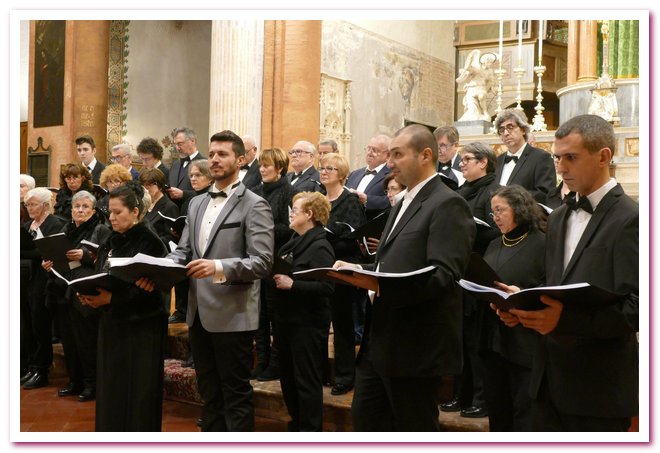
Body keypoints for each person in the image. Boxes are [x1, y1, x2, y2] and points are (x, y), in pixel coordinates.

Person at [496, 114, 638, 431]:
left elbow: (639, 309)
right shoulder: (558, 217)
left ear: (603, 157)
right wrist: (524, 306)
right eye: (557, 158)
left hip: (597, 387)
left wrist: (564, 320)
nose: (560, 168)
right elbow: (556, 287)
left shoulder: (632, 219)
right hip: (548, 381)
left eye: (571, 158)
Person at [334, 124, 476, 431]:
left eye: (397, 154)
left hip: (416, 344)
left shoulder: (448, 203)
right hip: (381, 338)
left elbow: (444, 275)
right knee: (366, 422)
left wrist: (378, 283)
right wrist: (364, 272)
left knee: (414, 429)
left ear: (426, 155)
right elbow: (392, 262)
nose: (390, 163)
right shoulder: (403, 201)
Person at [164, 129, 274, 432]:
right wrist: (161, 267)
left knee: (235, 394)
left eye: (222, 154)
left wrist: (217, 267)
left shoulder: (254, 204)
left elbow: (262, 262)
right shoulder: (196, 203)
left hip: (233, 313)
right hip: (198, 313)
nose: (214, 159)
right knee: (209, 394)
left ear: (240, 159)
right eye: (211, 153)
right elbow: (184, 252)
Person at [77, 182, 169, 431]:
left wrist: (112, 299)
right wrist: (89, 293)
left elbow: (151, 291)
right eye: (110, 212)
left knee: (138, 393)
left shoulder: (151, 243)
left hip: (141, 328)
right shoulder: (110, 238)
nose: (112, 218)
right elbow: (101, 273)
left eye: (118, 212)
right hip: (112, 324)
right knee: (112, 389)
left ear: (136, 211)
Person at [442, 141, 499, 419]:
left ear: (483, 162)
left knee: (476, 342)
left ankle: (479, 398)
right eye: (461, 159)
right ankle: (459, 394)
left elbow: (496, 232)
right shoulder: (462, 190)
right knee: (459, 338)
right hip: (459, 269)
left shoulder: (492, 191)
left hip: (479, 270)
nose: (461, 163)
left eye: (467, 159)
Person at [481, 185, 545, 431]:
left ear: (519, 209)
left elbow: (548, 285)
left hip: (524, 337)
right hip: (492, 337)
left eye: (500, 210)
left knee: (524, 411)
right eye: (492, 212)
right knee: (498, 409)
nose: (495, 217)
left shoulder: (542, 243)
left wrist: (520, 301)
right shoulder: (494, 244)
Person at [272, 191, 335, 431]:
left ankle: (310, 433)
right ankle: (296, 425)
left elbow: (327, 287)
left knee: (306, 381)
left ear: (309, 215)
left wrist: (293, 284)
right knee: (288, 379)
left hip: (307, 324)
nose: (290, 213)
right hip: (287, 320)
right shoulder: (295, 240)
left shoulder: (320, 245)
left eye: (295, 210)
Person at [41, 190, 109, 402]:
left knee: (86, 340)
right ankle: (75, 380)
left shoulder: (100, 229)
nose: (80, 210)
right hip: (63, 290)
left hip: (85, 290)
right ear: (71, 210)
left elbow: (106, 259)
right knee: (69, 340)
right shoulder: (66, 229)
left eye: (85, 207)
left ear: (93, 210)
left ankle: (92, 384)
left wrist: (86, 255)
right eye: (76, 207)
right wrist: (48, 264)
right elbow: (56, 254)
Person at [320, 152, 367, 396]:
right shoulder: (318, 200)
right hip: (320, 269)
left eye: (329, 168)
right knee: (319, 323)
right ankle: (322, 372)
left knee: (343, 326)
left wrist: (327, 237)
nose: (324, 171)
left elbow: (353, 238)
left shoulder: (350, 201)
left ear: (341, 174)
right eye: (322, 167)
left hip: (342, 268)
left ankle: (345, 376)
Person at [251, 147, 298, 381]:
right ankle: (262, 360)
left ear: (279, 167)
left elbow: (290, 228)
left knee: (275, 316)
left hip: (277, 260)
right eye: (260, 165)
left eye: (267, 165)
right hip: (255, 260)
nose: (262, 169)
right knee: (258, 316)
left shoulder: (290, 192)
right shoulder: (255, 191)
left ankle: (276, 363)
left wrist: (263, 228)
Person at [21, 187, 66, 389]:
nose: (29, 207)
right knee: (28, 323)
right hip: (26, 279)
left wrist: (31, 252)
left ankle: (42, 369)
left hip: (44, 281)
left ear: (46, 205)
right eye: (27, 204)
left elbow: (48, 251)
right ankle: (32, 365)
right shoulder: (28, 225)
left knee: (40, 324)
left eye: (33, 204)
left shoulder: (54, 224)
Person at [170, 160, 215, 326]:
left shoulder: (213, 198)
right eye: (191, 175)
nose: (193, 179)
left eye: (198, 175)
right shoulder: (192, 200)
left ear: (210, 178)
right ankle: (182, 311)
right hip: (186, 247)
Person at [493, 109, 556, 204]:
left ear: (523, 130)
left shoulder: (541, 157)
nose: (506, 133)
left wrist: (512, 197)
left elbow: (545, 194)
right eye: (502, 130)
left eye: (510, 127)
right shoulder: (497, 160)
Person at [345, 134, 392, 220]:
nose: (370, 153)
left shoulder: (392, 176)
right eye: (368, 148)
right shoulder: (354, 174)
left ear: (388, 155)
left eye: (375, 150)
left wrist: (367, 199)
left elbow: (392, 201)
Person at [140, 167, 179, 247]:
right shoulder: (144, 204)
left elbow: (172, 238)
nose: (146, 189)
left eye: (150, 185)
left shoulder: (170, 207)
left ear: (160, 186)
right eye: (144, 186)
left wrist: (150, 242)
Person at [166, 127, 206, 204]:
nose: (177, 148)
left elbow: (207, 192)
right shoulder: (175, 164)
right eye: (175, 144)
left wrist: (183, 194)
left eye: (180, 144)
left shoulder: (205, 163)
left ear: (193, 141)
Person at [456, 50, 497, 122]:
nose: (490, 64)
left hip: (481, 88)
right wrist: (469, 61)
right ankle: (475, 116)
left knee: (481, 96)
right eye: (489, 62)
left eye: (491, 62)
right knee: (472, 109)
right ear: (484, 62)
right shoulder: (477, 68)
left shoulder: (490, 71)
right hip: (472, 88)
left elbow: (491, 81)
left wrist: (492, 88)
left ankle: (484, 112)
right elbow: (469, 69)